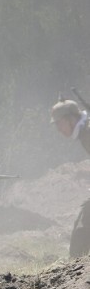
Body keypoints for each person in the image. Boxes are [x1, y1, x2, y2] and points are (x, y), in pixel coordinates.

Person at [50, 98, 90, 257]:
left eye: (59, 123)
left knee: (83, 229)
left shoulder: (87, 132)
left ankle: (75, 270)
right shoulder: (84, 132)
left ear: (71, 119)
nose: (58, 129)